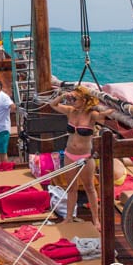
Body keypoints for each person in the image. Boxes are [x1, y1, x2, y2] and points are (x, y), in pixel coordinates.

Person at [49, 88, 114, 232]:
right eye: (72, 99)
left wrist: (112, 105)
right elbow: (53, 104)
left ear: (84, 101)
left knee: (89, 187)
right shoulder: (70, 111)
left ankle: (96, 219)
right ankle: (69, 217)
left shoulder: (92, 115)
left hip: (85, 156)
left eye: (75, 99)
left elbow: (107, 114)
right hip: (69, 154)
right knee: (71, 187)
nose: (72, 102)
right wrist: (64, 96)